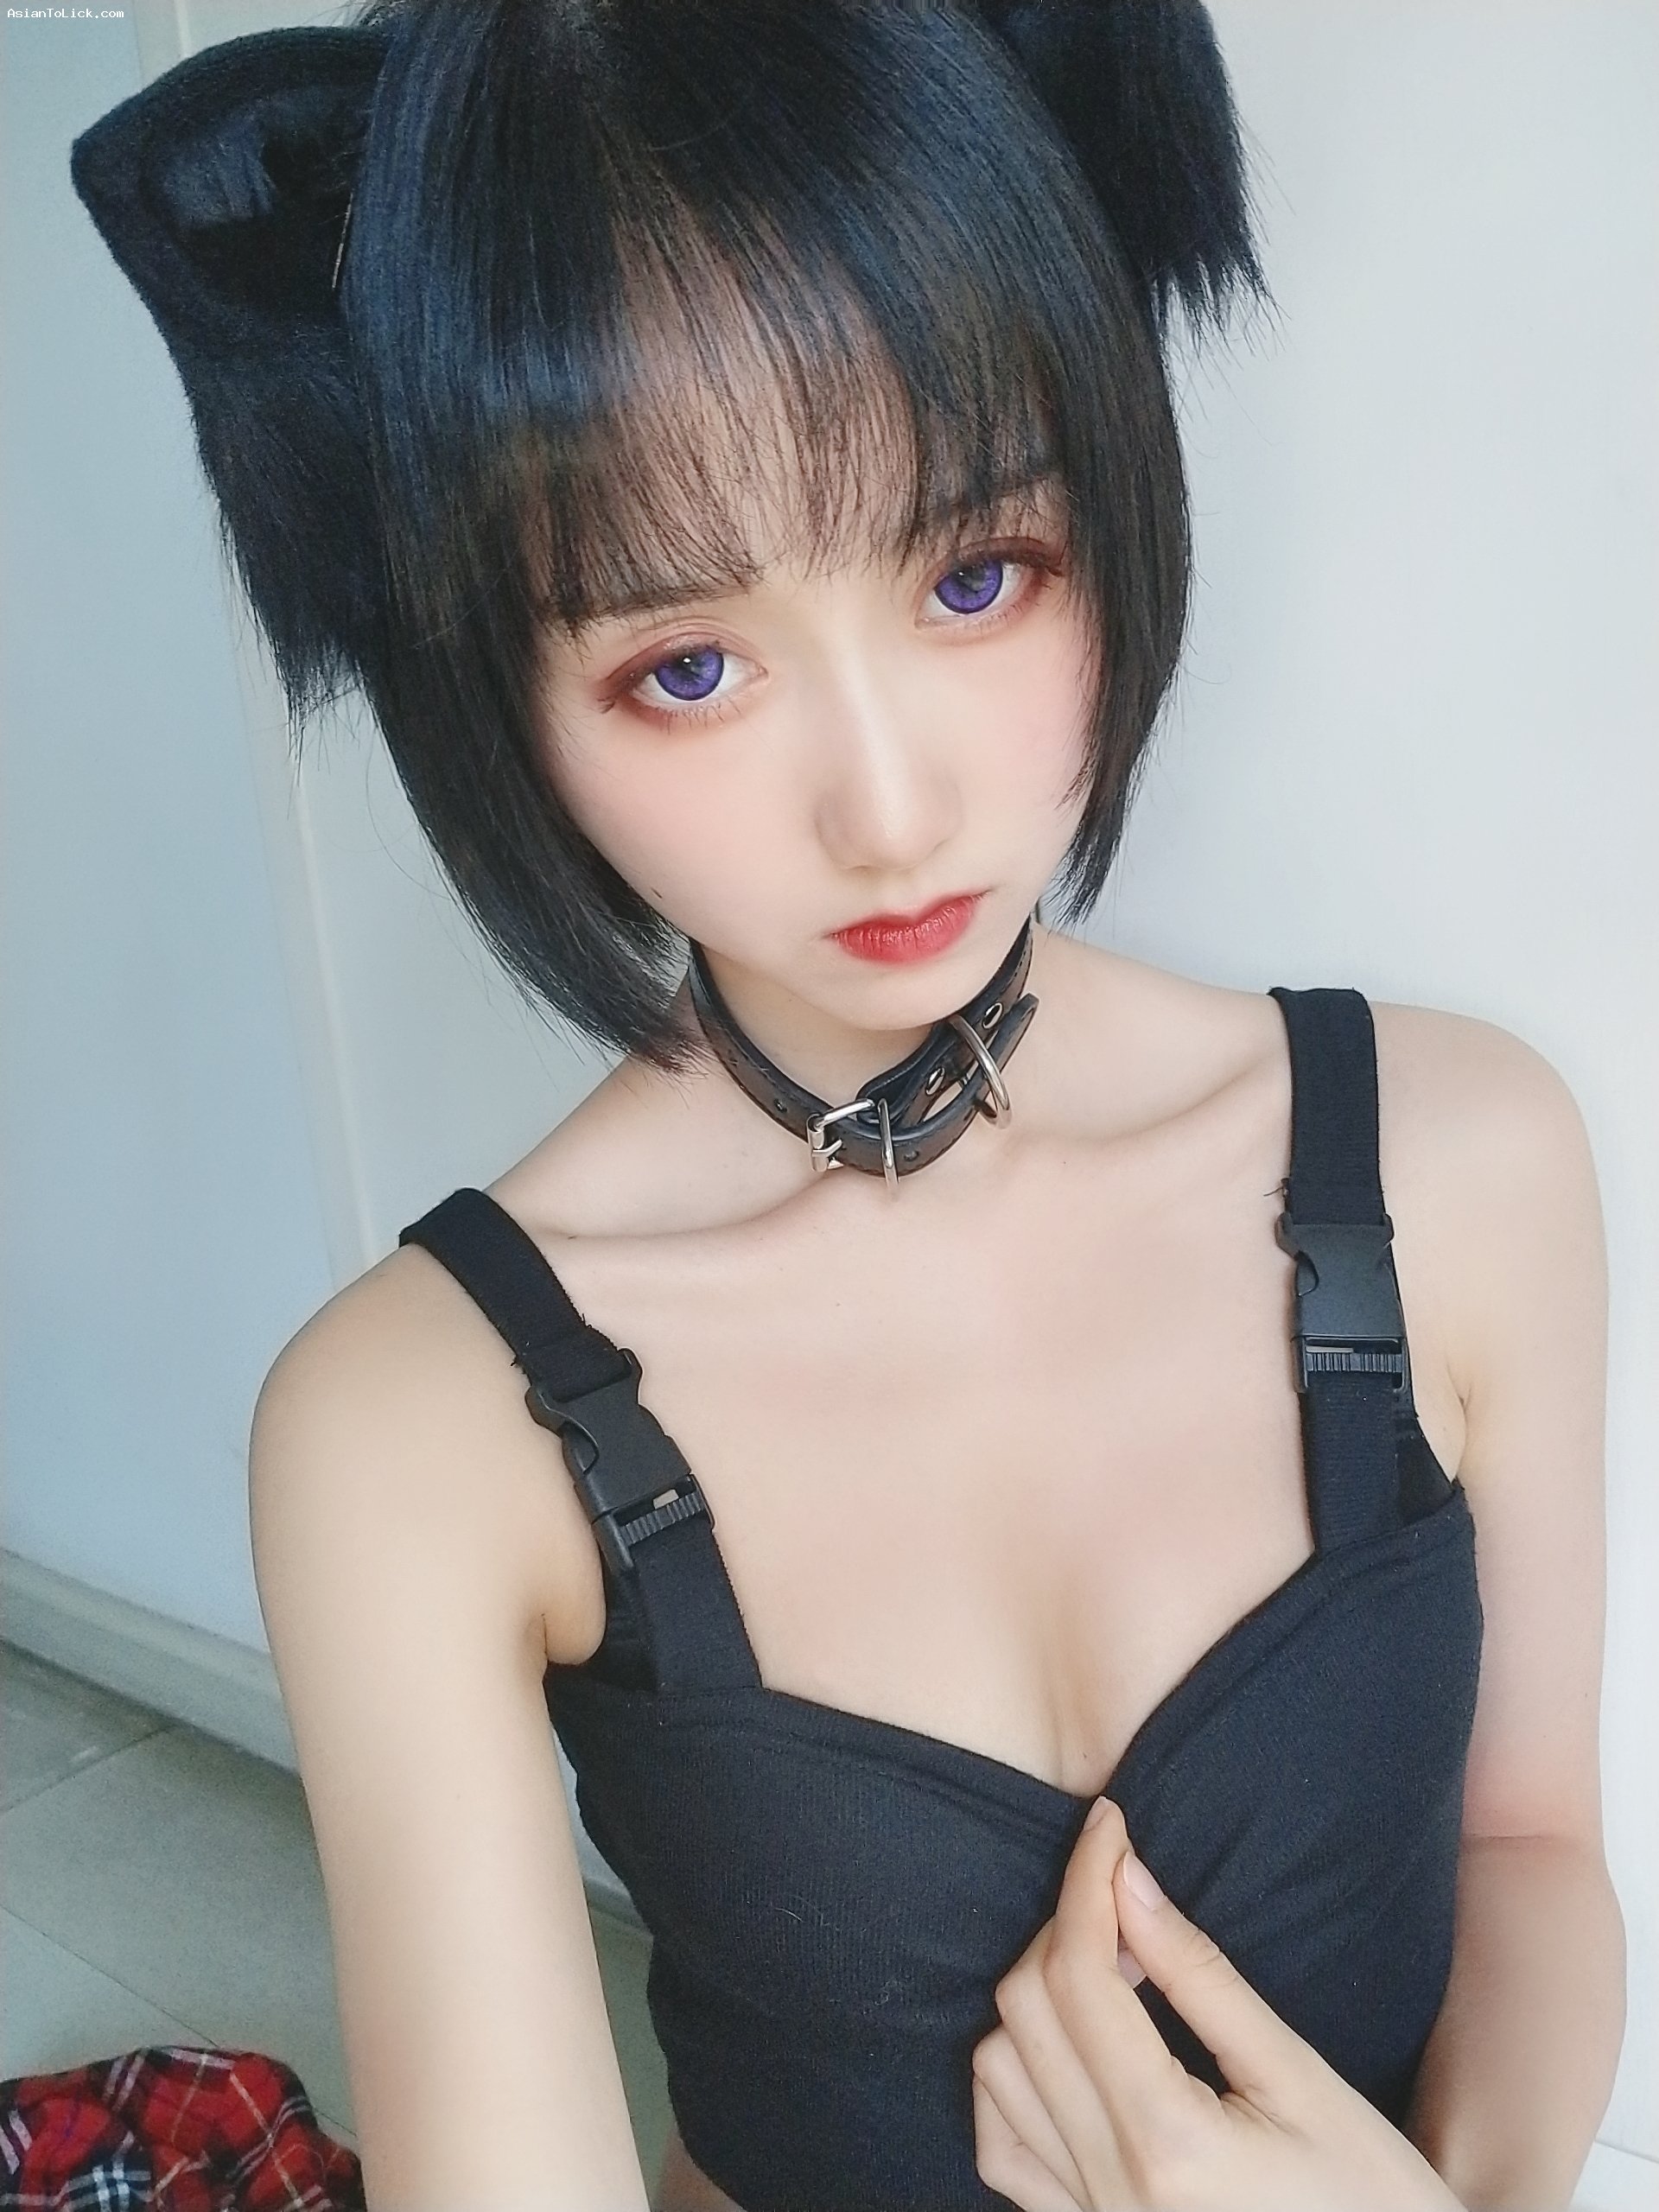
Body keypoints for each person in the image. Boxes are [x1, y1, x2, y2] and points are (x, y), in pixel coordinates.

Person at [69, 3, 1624, 2208]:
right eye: (687, 667)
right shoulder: (415, 1426)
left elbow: (1532, 1846)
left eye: (976, 575)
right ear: (500, 693)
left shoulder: (1462, 1156)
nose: (890, 811)